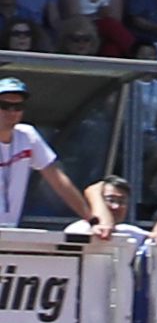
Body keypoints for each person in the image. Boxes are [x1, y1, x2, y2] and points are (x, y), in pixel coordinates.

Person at [0, 74, 102, 232]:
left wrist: (91, 220)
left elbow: (58, 180)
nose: (11, 112)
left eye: (18, 107)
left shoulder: (27, 135)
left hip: (10, 230)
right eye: (4, 105)